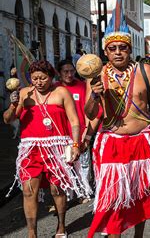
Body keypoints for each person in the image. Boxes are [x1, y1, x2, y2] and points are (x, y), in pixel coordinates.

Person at [84, 0, 150, 237]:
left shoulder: (145, 71)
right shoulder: (97, 76)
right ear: (106, 51)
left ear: (129, 48)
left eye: (122, 48)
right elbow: (90, 113)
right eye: (112, 48)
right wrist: (94, 95)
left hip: (142, 142)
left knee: (141, 197)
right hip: (111, 143)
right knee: (114, 198)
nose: (117, 52)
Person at [4, 60, 91, 237]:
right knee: (28, 190)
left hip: (57, 147)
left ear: (51, 77)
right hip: (31, 148)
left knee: (57, 189)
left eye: (43, 78)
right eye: (35, 78)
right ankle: (31, 232)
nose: (38, 82)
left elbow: (74, 121)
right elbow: (8, 119)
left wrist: (75, 144)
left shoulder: (61, 92)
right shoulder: (24, 93)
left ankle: (61, 226)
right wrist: (13, 104)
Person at [55, 60, 93, 202]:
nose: (69, 74)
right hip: (61, 134)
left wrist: (87, 132)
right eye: (66, 71)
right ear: (59, 73)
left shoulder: (82, 87)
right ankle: (67, 194)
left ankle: (84, 192)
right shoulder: (55, 88)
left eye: (72, 71)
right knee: (65, 165)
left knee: (82, 165)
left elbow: (89, 111)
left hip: (80, 132)